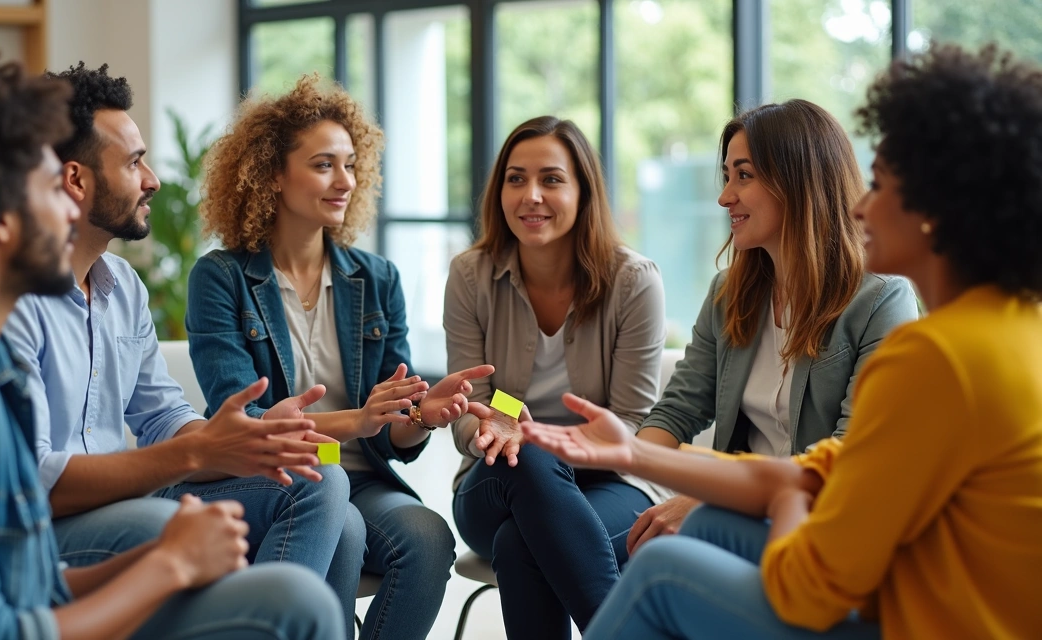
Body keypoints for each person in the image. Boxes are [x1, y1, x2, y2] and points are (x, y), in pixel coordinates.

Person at [523, 42, 1042, 639]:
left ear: (936, 207)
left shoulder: (929, 351)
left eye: (878, 185)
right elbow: (817, 471)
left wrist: (778, 499)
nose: (862, 206)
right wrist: (635, 455)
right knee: (664, 535)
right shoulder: (1008, 328)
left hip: (929, 620)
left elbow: (809, 588)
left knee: (665, 570)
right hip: (931, 584)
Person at [0, 49, 341, 640]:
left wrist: (164, 557)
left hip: (74, 564)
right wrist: (169, 562)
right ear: (1, 218)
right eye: (52, 186)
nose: (67, 211)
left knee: (295, 592)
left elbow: (27, 583)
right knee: (292, 605)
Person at [3, 63, 356, 588]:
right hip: (42, 525)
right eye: (134, 163)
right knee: (163, 525)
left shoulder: (122, 285)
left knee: (332, 496)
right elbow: (30, 480)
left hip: (127, 498)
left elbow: (164, 416)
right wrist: (199, 449)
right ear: (76, 179)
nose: (153, 180)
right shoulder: (13, 301)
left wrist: (246, 438)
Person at [188, 74, 492, 640]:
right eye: (324, 164)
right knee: (344, 530)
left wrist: (419, 415)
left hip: (363, 476)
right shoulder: (220, 278)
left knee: (428, 538)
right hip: (280, 477)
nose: (344, 181)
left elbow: (390, 438)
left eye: (351, 165)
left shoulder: (376, 279)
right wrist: (356, 420)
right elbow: (246, 426)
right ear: (272, 175)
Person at [623, 98, 919, 555]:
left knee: (650, 557)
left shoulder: (881, 298)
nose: (725, 196)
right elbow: (677, 411)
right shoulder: (730, 293)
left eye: (744, 175)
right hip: (732, 507)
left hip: (813, 521)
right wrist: (628, 457)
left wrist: (706, 498)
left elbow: (848, 459)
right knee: (566, 540)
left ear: (799, 182)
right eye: (727, 176)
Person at [442, 115, 669, 637]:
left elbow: (632, 416)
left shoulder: (634, 281)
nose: (531, 196)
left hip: (610, 481)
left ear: (583, 190)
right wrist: (499, 428)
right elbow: (466, 401)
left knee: (520, 544)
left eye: (551, 179)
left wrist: (547, 439)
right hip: (496, 479)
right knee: (528, 458)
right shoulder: (470, 276)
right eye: (516, 179)